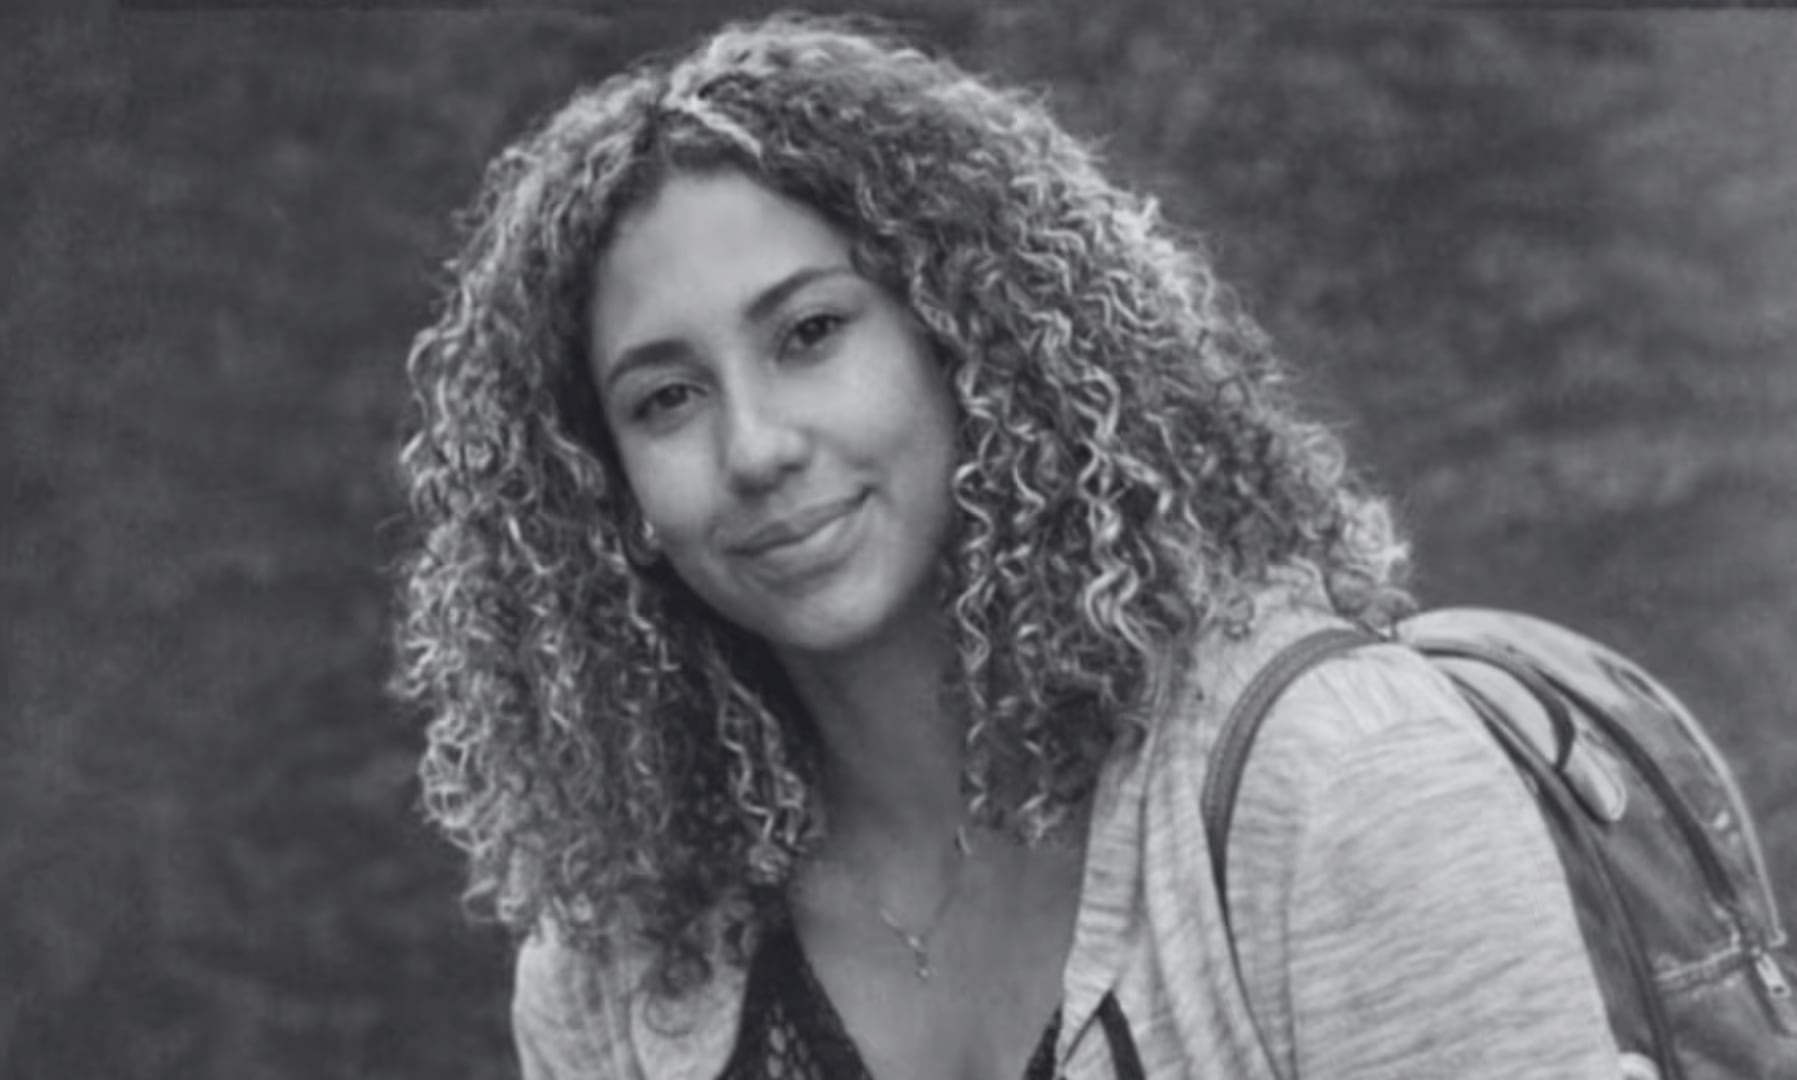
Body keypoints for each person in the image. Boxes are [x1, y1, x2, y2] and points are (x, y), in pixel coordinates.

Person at [394, 14, 1619, 1079]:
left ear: (967, 339)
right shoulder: (619, 964)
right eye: (666, 399)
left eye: (810, 333)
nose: (756, 446)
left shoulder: (1343, 788)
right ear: (607, 494)